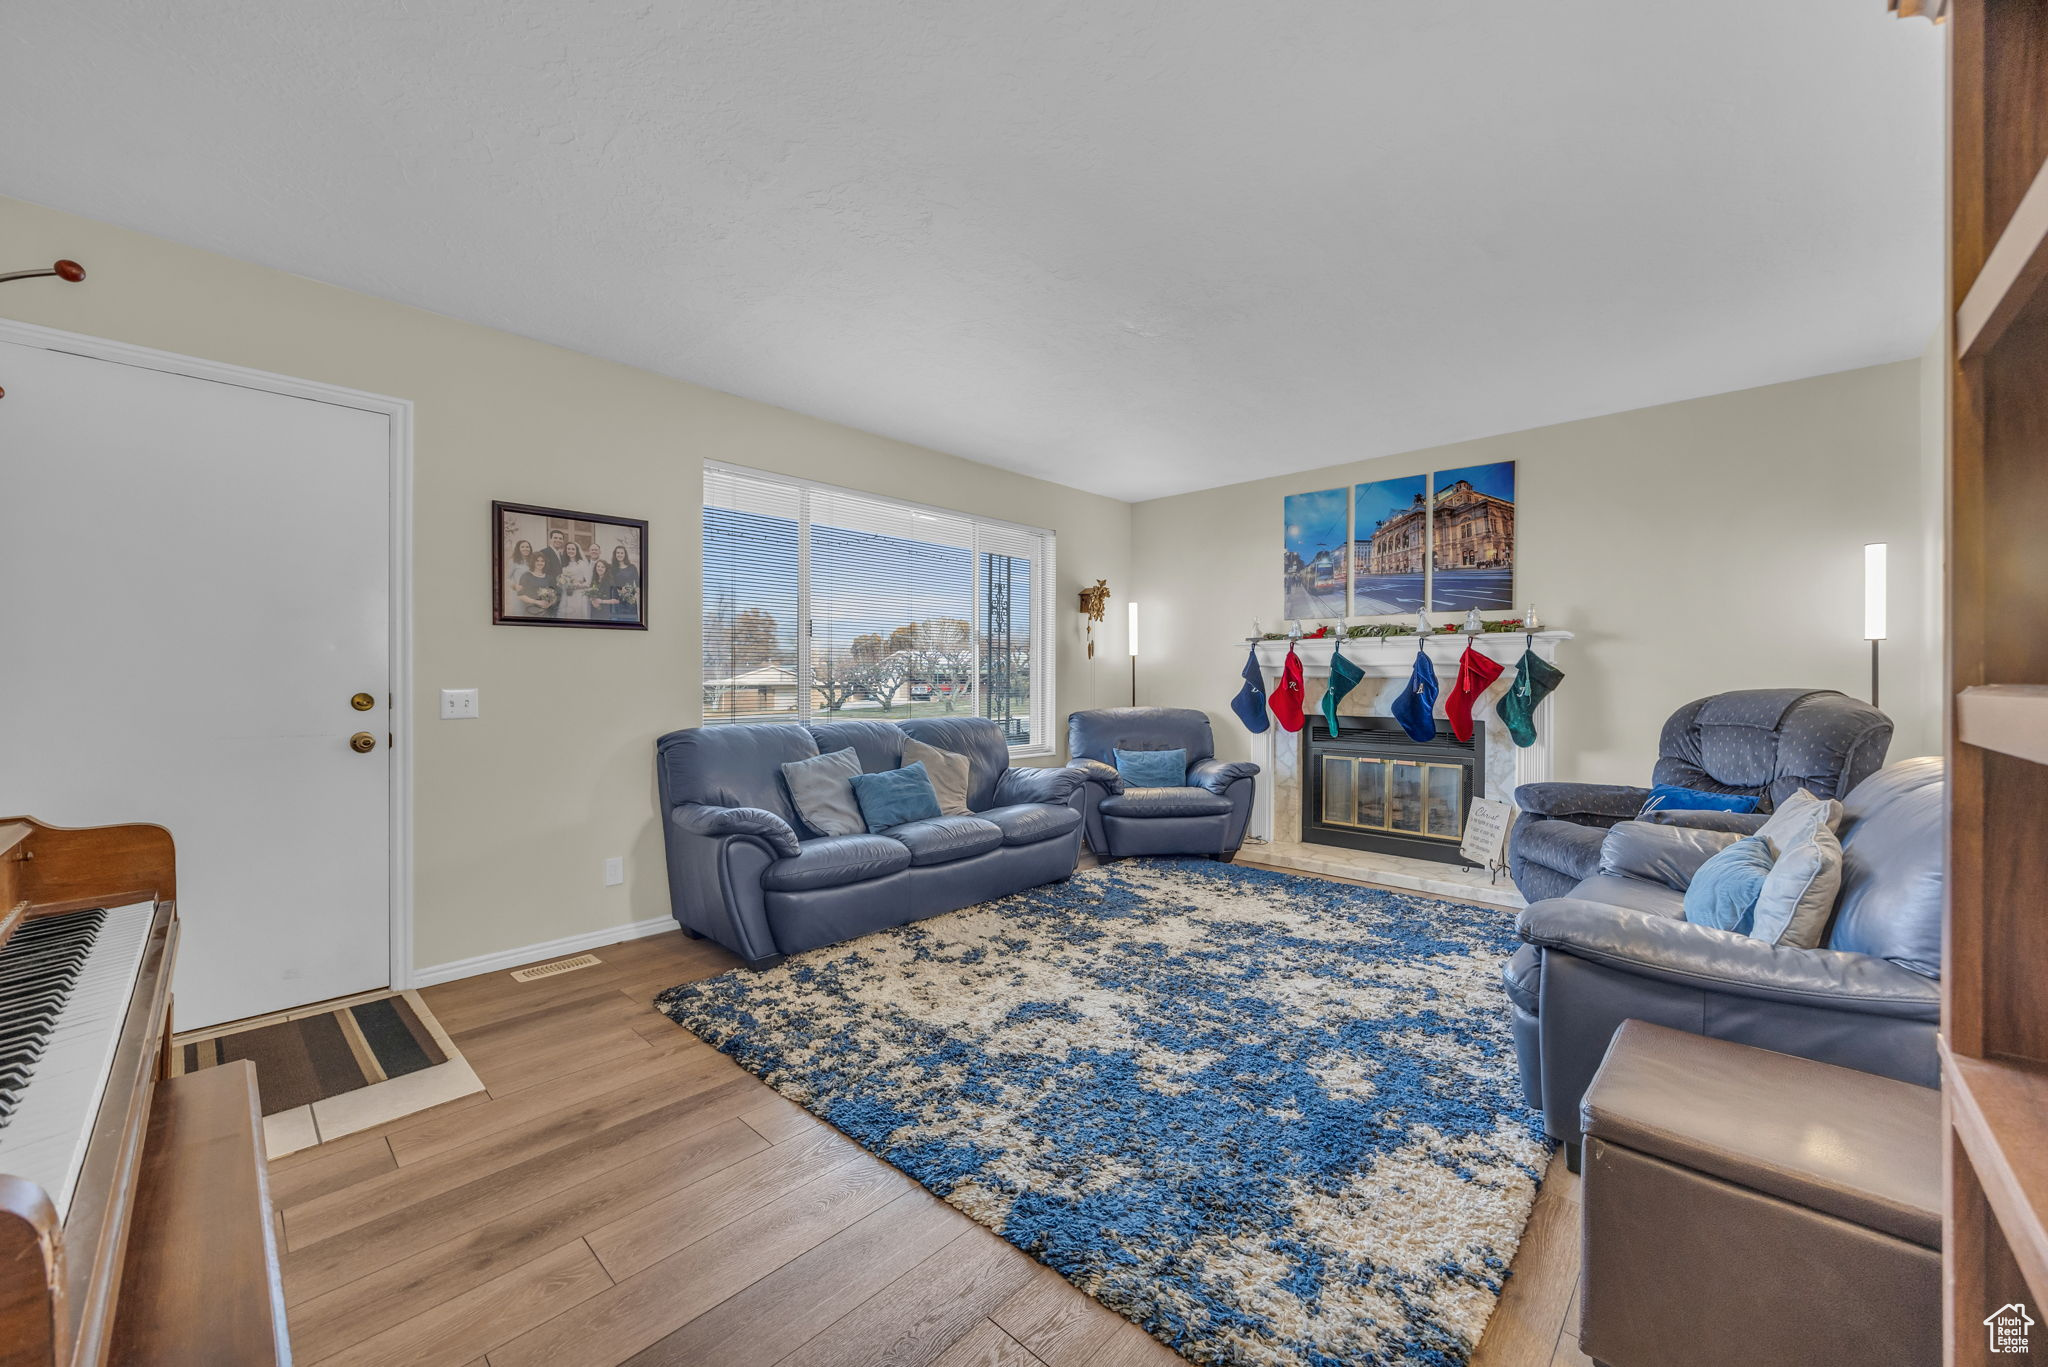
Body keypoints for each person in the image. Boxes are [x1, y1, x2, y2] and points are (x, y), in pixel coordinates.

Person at [557, 540, 594, 619]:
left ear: (577, 551)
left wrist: (577, 585)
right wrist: (562, 583)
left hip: (579, 594)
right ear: (566, 550)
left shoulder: (582, 563)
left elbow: (588, 582)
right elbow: (562, 579)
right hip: (566, 594)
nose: (570, 551)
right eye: (568, 549)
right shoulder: (564, 564)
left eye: (573, 549)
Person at [513, 553, 557, 617]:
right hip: (531, 611)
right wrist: (536, 602)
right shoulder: (526, 576)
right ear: (533, 562)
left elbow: (554, 595)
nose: (540, 563)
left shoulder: (549, 577)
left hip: (547, 612)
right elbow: (520, 595)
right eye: (537, 561)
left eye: (542, 561)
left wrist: (549, 603)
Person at [609, 544, 640, 623]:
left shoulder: (632, 567)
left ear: (625, 554)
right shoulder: (612, 568)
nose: (619, 555)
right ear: (615, 554)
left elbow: (637, 582)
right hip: (617, 599)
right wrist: (619, 590)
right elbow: (611, 583)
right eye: (618, 553)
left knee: (631, 622)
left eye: (622, 553)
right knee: (618, 622)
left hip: (630, 598)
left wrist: (636, 592)